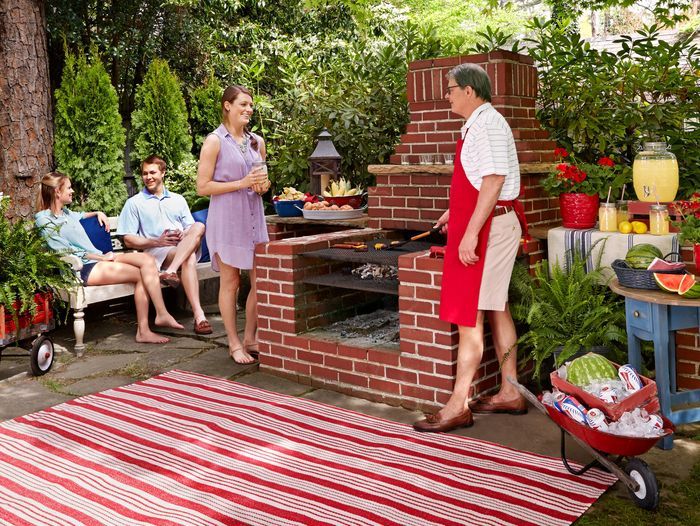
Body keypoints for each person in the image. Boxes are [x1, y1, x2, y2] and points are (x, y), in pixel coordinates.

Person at [413, 64, 529, 433]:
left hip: (491, 228)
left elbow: (495, 181)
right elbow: (481, 179)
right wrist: (455, 212)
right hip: (491, 222)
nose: (446, 95)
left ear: (469, 91)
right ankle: (510, 391)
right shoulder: (479, 124)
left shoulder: (487, 124)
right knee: (496, 308)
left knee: (469, 316)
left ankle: (457, 405)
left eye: (449, 89)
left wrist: (469, 233)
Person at [35, 172, 184, 344]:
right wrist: (100, 257)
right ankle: (146, 329)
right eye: (68, 187)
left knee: (147, 261)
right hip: (81, 268)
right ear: (57, 192)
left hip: (98, 260)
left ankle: (160, 314)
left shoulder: (67, 213)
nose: (72, 191)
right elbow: (62, 251)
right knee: (143, 273)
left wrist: (98, 212)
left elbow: (82, 215)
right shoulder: (43, 219)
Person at [196, 85, 271, 364]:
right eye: (243, 104)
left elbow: (261, 178)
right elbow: (202, 187)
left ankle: (251, 337)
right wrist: (241, 183)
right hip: (227, 218)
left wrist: (263, 186)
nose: (249, 109)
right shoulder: (214, 141)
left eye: (251, 105)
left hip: (254, 217)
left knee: (259, 281)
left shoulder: (257, 142)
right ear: (227, 106)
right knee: (230, 282)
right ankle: (233, 342)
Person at [117, 155, 212, 335]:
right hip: (158, 253)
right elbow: (128, 239)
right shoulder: (134, 203)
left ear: (163, 173)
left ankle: (171, 271)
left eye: (152, 172)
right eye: (145, 173)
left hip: (181, 247)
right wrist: (156, 241)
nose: (148, 177)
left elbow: (191, 227)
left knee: (199, 226)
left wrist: (184, 232)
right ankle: (199, 316)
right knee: (189, 257)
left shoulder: (178, 199)